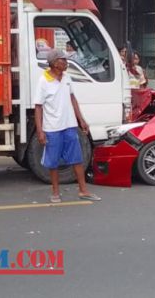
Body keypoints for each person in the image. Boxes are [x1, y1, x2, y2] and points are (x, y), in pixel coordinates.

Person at [34, 50, 101, 203]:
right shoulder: (43, 81)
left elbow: (72, 99)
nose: (66, 62)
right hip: (52, 128)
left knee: (77, 159)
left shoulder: (67, 78)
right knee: (53, 162)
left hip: (69, 126)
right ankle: (55, 192)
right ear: (54, 63)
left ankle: (83, 191)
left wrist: (81, 119)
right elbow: (38, 107)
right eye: (63, 60)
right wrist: (40, 130)